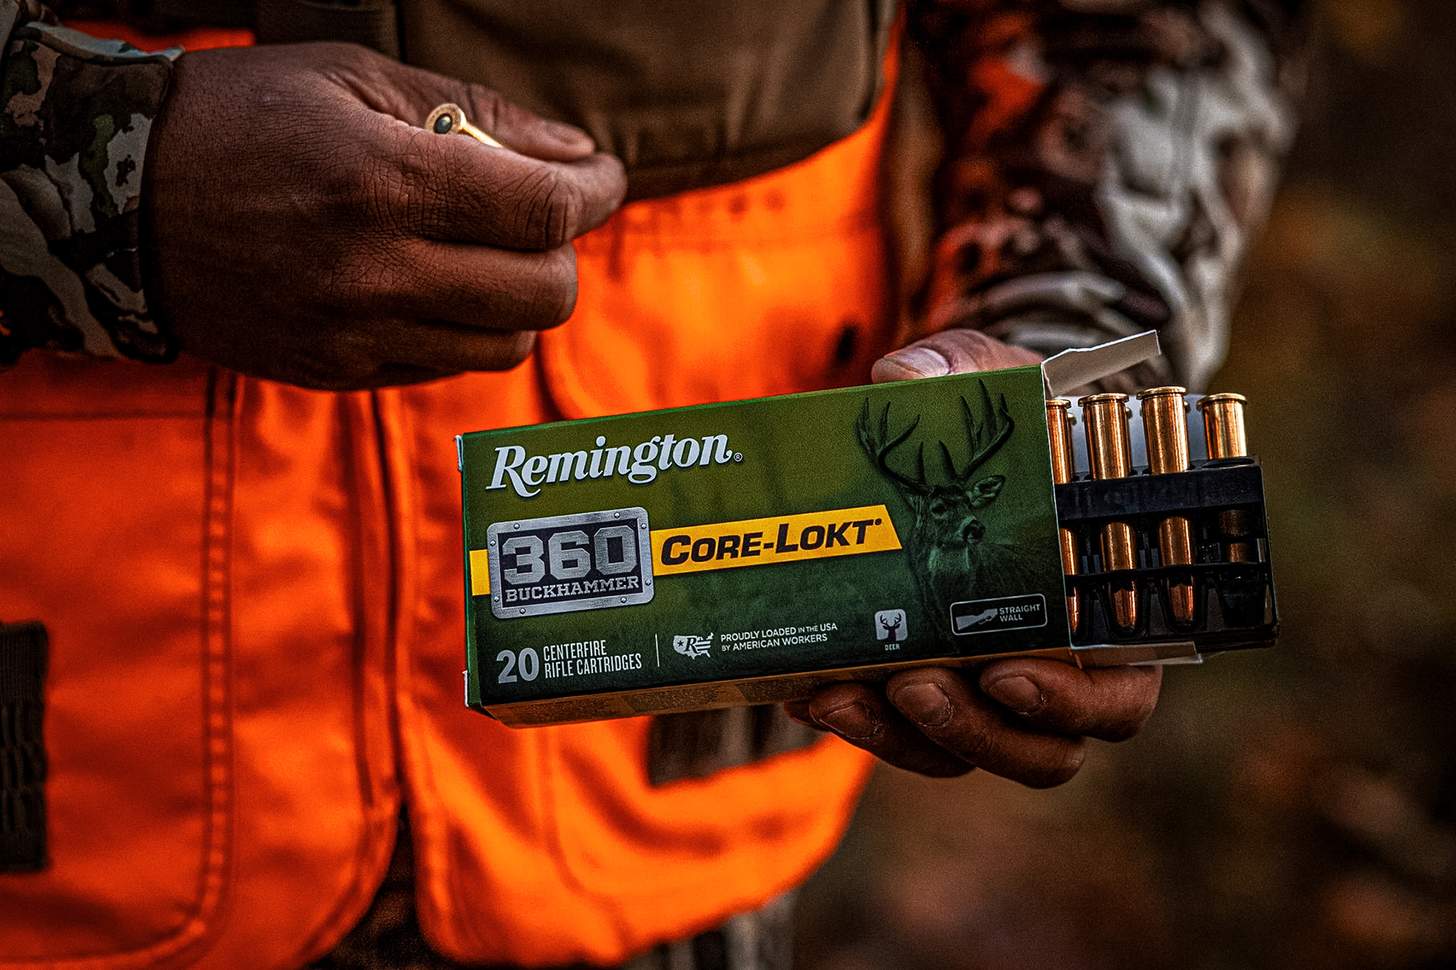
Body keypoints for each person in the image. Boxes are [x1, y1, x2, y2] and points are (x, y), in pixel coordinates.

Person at [0, 1, 1304, 966]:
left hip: (675, 837)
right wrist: (89, 175)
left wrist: (1053, 367)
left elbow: (1154, 25)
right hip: (62, 833)